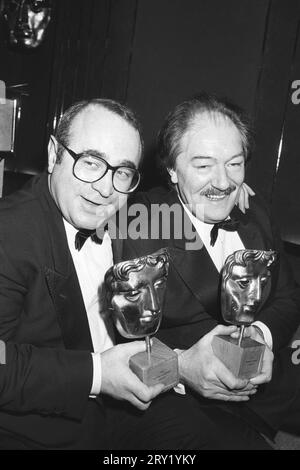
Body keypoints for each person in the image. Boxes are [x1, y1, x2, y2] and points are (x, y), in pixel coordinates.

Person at [0, 97, 263, 450]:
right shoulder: (10, 233)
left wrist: (225, 188)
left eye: (122, 171)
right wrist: (98, 375)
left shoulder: (126, 215)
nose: (106, 188)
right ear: (53, 154)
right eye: (90, 163)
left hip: (122, 408)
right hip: (38, 425)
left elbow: (180, 206)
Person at [121, 93, 300, 446]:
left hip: (264, 400)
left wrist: (261, 336)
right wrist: (181, 367)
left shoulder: (255, 210)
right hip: (176, 403)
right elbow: (112, 339)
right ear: (171, 169)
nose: (223, 182)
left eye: (234, 164)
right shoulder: (139, 221)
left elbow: (288, 296)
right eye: (204, 166)